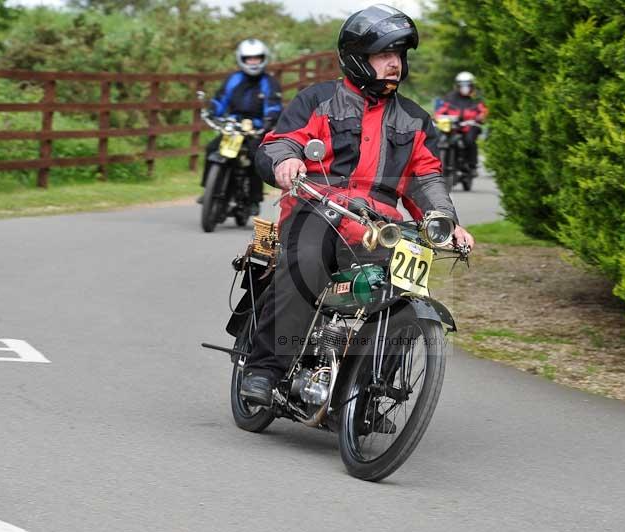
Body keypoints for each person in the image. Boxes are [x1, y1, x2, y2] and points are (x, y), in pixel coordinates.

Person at [238, 4, 476, 406]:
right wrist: (287, 161)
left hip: (377, 226)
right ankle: (266, 368)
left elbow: (426, 178)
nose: (394, 64)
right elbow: (281, 142)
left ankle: (366, 391)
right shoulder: (317, 100)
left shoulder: (416, 121)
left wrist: (446, 222)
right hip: (316, 210)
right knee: (307, 265)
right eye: (384, 55)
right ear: (356, 58)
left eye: (398, 55)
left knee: (405, 291)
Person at [199, 38, 282, 214]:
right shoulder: (234, 79)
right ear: (241, 59)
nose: (253, 62)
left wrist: (268, 121)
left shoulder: (269, 82)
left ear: (263, 58)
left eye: (257, 58)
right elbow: (221, 99)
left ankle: (254, 199)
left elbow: (274, 105)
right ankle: (208, 190)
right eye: (249, 59)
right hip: (234, 126)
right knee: (211, 148)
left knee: (254, 157)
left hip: (256, 128)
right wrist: (212, 111)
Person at [434, 71, 488, 174]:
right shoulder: (450, 97)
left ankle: (471, 164)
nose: (465, 87)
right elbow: (441, 110)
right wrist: (437, 117)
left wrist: (479, 117)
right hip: (453, 126)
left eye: (467, 85)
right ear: (457, 85)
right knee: (438, 137)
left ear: (472, 85)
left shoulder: (476, 99)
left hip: (470, 125)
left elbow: (483, 111)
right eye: (462, 85)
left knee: (469, 141)